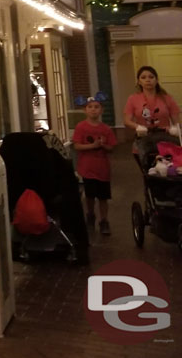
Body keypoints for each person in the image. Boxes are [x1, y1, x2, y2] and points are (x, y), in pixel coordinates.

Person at [72, 97, 116, 235]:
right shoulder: (81, 127)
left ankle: (104, 220)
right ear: (85, 110)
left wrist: (103, 145)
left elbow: (112, 147)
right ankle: (90, 215)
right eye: (90, 107)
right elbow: (77, 145)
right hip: (87, 168)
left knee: (103, 197)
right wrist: (92, 145)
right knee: (90, 195)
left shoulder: (106, 129)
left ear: (101, 110)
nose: (93, 109)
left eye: (96, 107)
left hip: (102, 168)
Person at [122, 65, 181, 166]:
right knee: (148, 174)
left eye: (151, 77)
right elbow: (127, 121)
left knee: (166, 172)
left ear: (156, 80)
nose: (148, 80)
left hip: (165, 140)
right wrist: (137, 126)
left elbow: (177, 122)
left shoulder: (167, 98)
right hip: (144, 140)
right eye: (143, 77)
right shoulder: (133, 99)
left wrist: (174, 128)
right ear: (139, 81)